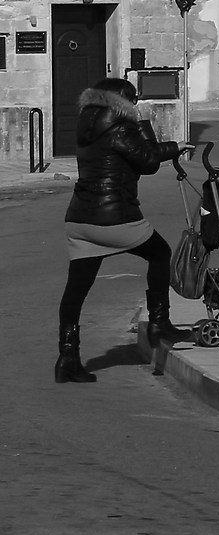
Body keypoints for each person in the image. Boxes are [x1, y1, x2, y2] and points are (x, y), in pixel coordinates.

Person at [56, 79, 189, 381]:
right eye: (134, 100)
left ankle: (67, 357)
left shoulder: (86, 123)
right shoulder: (121, 126)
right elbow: (149, 162)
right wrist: (172, 145)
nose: (137, 104)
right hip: (115, 218)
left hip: (79, 221)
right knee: (160, 254)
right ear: (124, 101)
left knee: (75, 291)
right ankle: (159, 322)